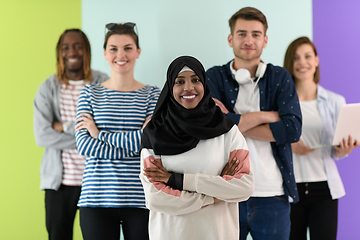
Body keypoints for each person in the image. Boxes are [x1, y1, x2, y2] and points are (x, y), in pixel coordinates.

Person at [206, 7, 302, 240]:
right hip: (225, 193)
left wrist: (233, 119)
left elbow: (292, 130)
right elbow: (213, 128)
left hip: (273, 194)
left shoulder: (280, 77)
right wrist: (267, 115)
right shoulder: (214, 76)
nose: (249, 40)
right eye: (242, 34)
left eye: (256, 34)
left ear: (265, 40)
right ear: (230, 38)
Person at [139, 56, 254, 240]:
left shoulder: (227, 131)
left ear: (204, 84)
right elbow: (155, 198)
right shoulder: (154, 134)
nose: (188, 88)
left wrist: (176, 180)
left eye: (195, 80)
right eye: (179, 81)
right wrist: (215, 195)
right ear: (170, 87)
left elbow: (244, 186)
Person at [74, 22, 160, 240]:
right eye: (113, 48)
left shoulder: (152, 95)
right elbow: (84, 145)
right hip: (96, 200)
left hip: (142, 200)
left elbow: (154, 142)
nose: (121, 54)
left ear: (138, 51)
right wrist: (137, 142)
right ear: (104, 53)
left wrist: (100, 135)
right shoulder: (89, 93)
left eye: (128, 48)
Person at [33, 29, 109, 240]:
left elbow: (110, 129)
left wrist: (63, 125)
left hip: (97, 180)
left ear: (87, 51)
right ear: (60, 53)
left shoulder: (103, 83)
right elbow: (42, 135)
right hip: (60, 183)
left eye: (77, 46)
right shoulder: (48, 88)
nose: (72, 52)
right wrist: (86, 136)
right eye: (66, 48)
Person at [283, 36, 359, 240]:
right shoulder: (280, 103)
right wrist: (290, 144)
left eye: (308, 56)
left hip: (325, 190)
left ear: (316, 60)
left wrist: (344, 150)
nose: (302, 62)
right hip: (290, 190)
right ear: (290, 63)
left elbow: (337, 151)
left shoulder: (335, 101)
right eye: (296, 57)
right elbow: (271, 138)